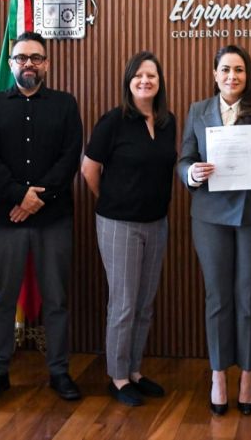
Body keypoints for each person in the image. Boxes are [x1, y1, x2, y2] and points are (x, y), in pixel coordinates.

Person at [178, 45, 251, 416]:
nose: (232, 76)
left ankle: (247, 376)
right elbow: (184, 160)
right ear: (215, 74)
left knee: (249, 298)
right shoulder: (198, 111)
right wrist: (191, 173)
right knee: (217, 298)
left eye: (239, 70)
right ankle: (218, 375)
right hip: (210, 216)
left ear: (247, 74)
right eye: (225, 69)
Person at [0, 31, 83, 403]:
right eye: (21, 58)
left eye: (36, 57)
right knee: (2, 298)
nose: (29, 64)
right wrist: (20, 195)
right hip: (8, 219)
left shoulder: (65, 105)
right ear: (11, 64)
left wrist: (38, 198)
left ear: (46, 63)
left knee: (56, 299)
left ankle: (59, 371)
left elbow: (69, 157)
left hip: (54, 219)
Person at [81, 51, 177, 407]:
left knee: (144, 304)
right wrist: (111, 201)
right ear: (128, 81)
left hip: (157, 223)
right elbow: (89, 169)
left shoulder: (167, 122)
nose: (145, 81)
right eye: (138, 76)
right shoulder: (113, 121)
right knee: (123, 304)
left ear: (160, 82)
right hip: (118, 224)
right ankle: (118, 377)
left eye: (151, 75)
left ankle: (135, 371)